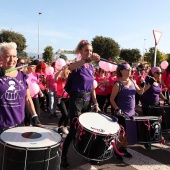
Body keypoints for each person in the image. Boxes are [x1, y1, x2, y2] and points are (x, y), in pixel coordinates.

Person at [61, 40, 100, 168]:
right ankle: (63, 155)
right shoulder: (78, 65)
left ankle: (87, 153)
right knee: (73, 130)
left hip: (87, 100)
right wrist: (87, 59)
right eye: (86, 50)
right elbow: (70, 67)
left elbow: (92, 88)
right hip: (76, 100)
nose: (89, 52)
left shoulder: (91, 68)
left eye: (90, 50)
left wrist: (96, 104)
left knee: (88, 129)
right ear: (80, 52)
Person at [0, 42, 41, 132]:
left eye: (14, 56)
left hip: (19, 124)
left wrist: (34, 115)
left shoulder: (22, 75)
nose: (11, 60)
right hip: (2, 126)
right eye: (7, 56)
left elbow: (27, 98)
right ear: (1, 59)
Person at [110, 62, 144, 161]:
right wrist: (117, 109)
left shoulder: (133, 81)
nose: (130, 71)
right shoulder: (118, 84)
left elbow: (140, 92)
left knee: (128, 134)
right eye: (128, 69)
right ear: (121, 71)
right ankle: (116, 151)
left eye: (130, 69)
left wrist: (143, 85)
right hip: (122, 114)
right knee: (122, 134)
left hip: (132, 113)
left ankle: (123, 149)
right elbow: (111, 99)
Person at [54, 65, 70, 134]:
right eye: (64, 74)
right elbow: (55, 77)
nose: (65, 76)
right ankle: (59, 126)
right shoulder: (59, 79)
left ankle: (64, 127)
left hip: (68, 98)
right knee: (65, 114)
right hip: (60, 98)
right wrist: (60, 70)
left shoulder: (69, 81)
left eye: (66, 74)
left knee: (67, 115)